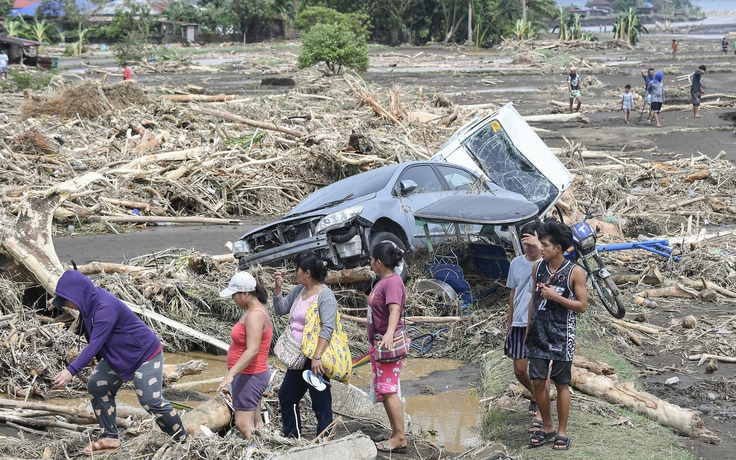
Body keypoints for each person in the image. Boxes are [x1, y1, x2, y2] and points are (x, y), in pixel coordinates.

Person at [50, 270, 189, 455]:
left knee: (150, 401)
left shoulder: (104, 308)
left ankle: (183, 440)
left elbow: (94, 345)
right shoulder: (89, 301)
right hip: (120, 355)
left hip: (144, 354)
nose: (66, 305)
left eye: (67, 301)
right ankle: (110, 437)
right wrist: (55, 301)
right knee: (98, 385)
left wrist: (70, 371)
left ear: (78, 295)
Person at [525, 220, 588, 451]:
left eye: (545, 245)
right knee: (539, 381)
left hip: (562, 336)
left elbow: (582, 306)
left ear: (558, 248)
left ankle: (562, 432)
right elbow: (534, 299)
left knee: (561, 383)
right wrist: (528, 330)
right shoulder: (537, 268)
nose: (540, 248)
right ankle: (548, 426)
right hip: (538, 334)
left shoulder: (575, 272)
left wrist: (556, 297)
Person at [273, 251, 337, 439]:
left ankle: (324, 439)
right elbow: (281, 309)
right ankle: (293, 438)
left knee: (320, 401)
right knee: (287, 396)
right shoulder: (299, 291)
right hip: (298, 356)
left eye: (297, 270)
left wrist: (317, 357)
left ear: (307, 273)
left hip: (316, 357)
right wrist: (277, 289)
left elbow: (328, 328)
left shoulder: (325, 296)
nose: (295, 273)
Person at [218, 271, 273, 439]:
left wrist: (230, 374)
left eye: (235, 294)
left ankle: (258, 453)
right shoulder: (252, 310)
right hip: (250, 375)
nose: (233, 298)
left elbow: (253, 350)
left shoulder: (255, 315)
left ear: (246, 293)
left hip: (250, 375)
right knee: (256, 423)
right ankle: (264, 449)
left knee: (243, 424)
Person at [367, 242, 408, 454]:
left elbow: (394, 310)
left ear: (379, 262)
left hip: (388, 344)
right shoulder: (384, 281)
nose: (370, 262)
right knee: (385, 390)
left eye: (372, 259)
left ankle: (400, 438)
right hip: (380, 343)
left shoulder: (392, 283)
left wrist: (390, 334)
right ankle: (395, 431)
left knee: (389, 390)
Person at [504, 222, 544, 431]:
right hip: (519, 322)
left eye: (531, 241)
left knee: (540, 371)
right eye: (523, 242)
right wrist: (510, 321)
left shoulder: (547, 264)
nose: (527, 247)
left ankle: (540, 413)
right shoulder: (516, 264)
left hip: (539, 324)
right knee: (520, 370)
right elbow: (513, 293)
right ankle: (538, 396)